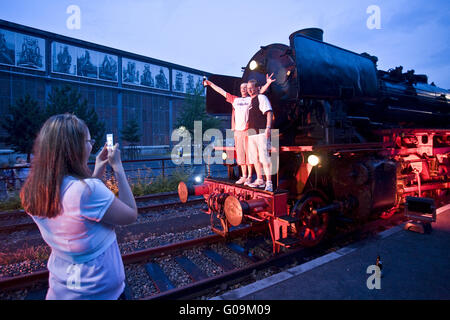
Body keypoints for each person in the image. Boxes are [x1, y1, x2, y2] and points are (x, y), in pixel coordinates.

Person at [20, 114, 137, 300]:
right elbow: (130, 214)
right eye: (89, 141)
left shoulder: (33, 191)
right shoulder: (87, 191)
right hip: (99, 293)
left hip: (61, 289)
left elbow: (81, 208)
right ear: (75, 147)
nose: (90, 146)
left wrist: (98, 169)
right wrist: (118, 168)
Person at [204, 74, 275, 185]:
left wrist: (268, 83)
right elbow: (221, 91)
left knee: (250, 156)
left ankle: (250, 177)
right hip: (238, 131)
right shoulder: (235, 100)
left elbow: (260, 91)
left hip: (248, 130)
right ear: (240, 90)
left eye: (246, 88)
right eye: (242, 88)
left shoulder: (251, 99)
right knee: (241, 155)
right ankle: (244, 176)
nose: (244, 89)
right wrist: (210, 84)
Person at [246, 79, 274, 192]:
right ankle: (259, 179)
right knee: (255, 158)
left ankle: (269, 183)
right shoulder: (248, 100)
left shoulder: (261, 98)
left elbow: (269, 112)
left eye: (251, 88)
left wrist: (268, 128)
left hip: (261, 131)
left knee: (264, 157)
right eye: (248, 88)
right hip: (251, 132)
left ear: (257, 88)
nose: (249, 90)